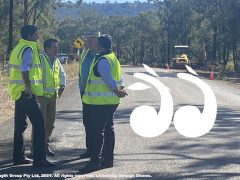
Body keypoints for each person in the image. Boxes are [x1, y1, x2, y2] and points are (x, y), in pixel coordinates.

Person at [80, 34, 128, 173]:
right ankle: (107, 159)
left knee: (97, 131)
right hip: (110, 102)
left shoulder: (102, 60)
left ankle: (95, 162)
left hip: (101, 102)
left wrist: (117, 91)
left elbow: (108, 78)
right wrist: (120, 88)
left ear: (99, 45)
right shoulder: (113, 57)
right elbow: (119, 77)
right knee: (108, 129)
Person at [8, 25, 55, 167]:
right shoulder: (28, 48)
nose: (38, 36)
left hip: (18, 92)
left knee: (20, 126)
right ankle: (40, 159)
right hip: (26, 93)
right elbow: (24, 69)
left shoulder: (18, 47)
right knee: (40, 124)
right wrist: (28, 87)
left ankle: (19, 158)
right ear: (29, 35)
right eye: (36, 34)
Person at [36, 39, 66, 156]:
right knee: (40, 124)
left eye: (57, 47)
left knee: (50, 124)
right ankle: (36, 149)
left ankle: (45, 146)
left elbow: (62, 74)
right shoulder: (40, 59)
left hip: (53, 97)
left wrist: (62, 85)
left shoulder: (57, 60)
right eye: (54, 48)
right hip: (41, 97)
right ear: (47, 49)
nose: (57, 50)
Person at [78, 30, 100, 159]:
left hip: (98, 97)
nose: (88, 42)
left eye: (92, 39)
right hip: (85, 95)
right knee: (87, 123)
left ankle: (98, 152)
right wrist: (81, 90)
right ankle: (90, 150)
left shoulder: (101, 55)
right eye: (87, 39)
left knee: (98, 125)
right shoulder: (85, 54)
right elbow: (81, 74)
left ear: (98, 40)